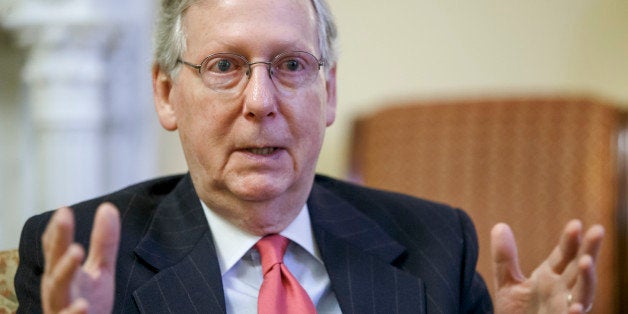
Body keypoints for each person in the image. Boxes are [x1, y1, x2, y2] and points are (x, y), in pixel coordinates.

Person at [15, 0, 604, 313]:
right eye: (225, 66)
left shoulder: (438, 246)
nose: (261, 102)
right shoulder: (83, 263)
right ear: (168, 94)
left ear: (329, 91)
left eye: (292, 65)